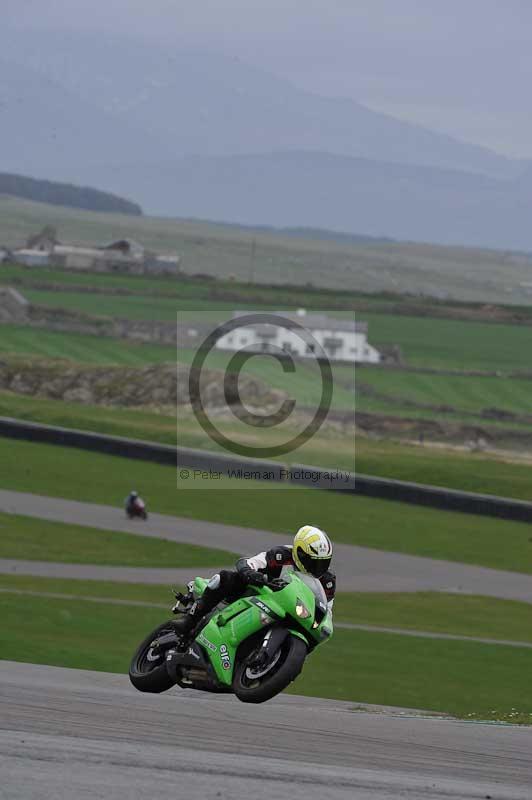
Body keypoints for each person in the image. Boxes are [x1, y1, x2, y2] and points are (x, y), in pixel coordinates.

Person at [173, 525, 335, 643]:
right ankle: (190, 620)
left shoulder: (327, 581)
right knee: (224, 578)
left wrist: (324, 627)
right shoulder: (281, 555)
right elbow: (248, 563)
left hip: (291, 612)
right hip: (258, 595)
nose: (318, 568)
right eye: (313, 562)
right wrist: (251, 574)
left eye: (323, 562)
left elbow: (327, 611)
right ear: (299, 552)